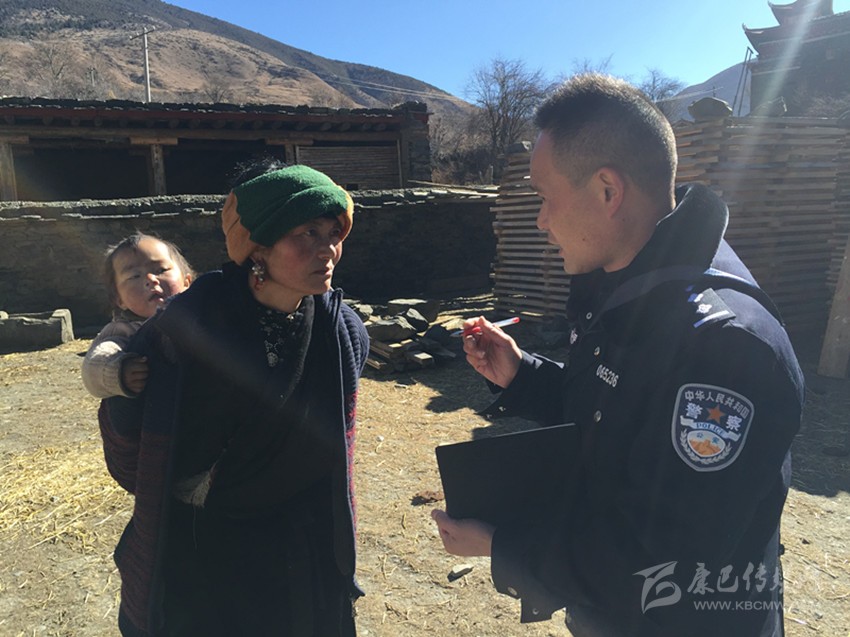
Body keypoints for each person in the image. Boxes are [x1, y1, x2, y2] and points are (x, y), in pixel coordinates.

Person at [431, 74, 804, 637]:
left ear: (608, 190)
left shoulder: (727, 348)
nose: (541, 221)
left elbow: (665, 563)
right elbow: (618, 408)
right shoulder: (634, 285)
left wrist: (503, 545)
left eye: (545, 198)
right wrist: (522, 375)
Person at [98, 161, 369, 637]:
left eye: (333, 233)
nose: (328, 249)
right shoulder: (189, 326)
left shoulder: (341, 331)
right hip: (207, 552)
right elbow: (129, 439)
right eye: (307, 232)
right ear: (257, 247)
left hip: (301, 550)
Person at [82, 233, 194, 399]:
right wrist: (119, 370)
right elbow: (92, 367)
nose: (151, 279)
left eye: (161, 270)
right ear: (119, 299)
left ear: (187, 282)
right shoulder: (124, 331)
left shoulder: (202, 315)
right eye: (135, 276)